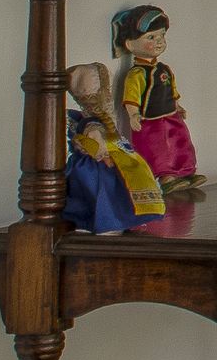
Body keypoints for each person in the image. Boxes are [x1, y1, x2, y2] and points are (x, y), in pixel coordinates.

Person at [61, 62, 168, 233]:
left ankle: (128, 218)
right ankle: (104, 222)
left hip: (113, 158)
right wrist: (102, 153)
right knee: (102, 192)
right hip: (98, 164)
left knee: (124, 189)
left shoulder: (102, 118)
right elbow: (94, 140)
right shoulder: (91, 121)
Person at [109, 4, 198, 189]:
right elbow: (131, 97)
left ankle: (186, 170)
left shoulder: (164, 69)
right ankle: (166, 178)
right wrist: (133, 114)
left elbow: (171, 90)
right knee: (159, 149)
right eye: (151, 37)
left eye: (162, 36)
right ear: (130, 44)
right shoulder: (137, 74)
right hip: (151, 120)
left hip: (170, 115)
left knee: (180, 142)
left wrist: (178, 106)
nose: (159, 41)